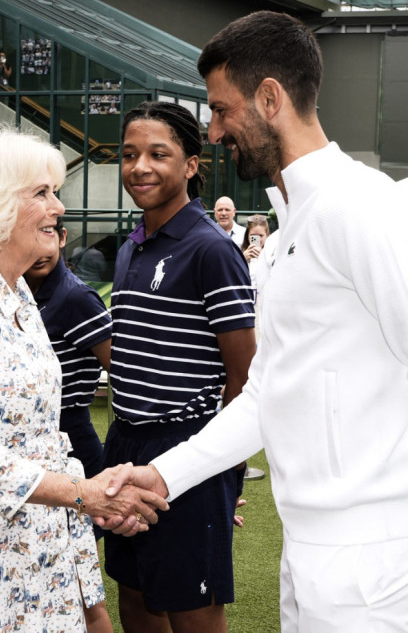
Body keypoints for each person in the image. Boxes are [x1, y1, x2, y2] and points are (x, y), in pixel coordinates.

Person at [102, 11, 408, 633]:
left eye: (221, 110)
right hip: (316, 544)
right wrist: (162, 474)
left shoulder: (358, 205)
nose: (214, 131)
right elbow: (266, 394)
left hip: (373, 551)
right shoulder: (292, 226)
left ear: (270, 98)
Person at [0, 127, 165, 632]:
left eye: (54, 192)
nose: (58, 208)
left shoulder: (17, 289)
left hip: (39, 544)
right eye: (41, 193)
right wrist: (85, 494)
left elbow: (39, 432)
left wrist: (91, 493)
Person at [106, 100, 256, 633]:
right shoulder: (131, 246)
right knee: (135, 599)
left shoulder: (212, 249)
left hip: (186, 446)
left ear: (191, 165)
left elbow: (244, 376)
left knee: (192, 611)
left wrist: (225, 470)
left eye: (157, 154)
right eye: (129, 155)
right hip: (124, 441)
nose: (139, 167)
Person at [24, 220, 113, 497]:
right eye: (27, 238)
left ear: (62, 237)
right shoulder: (16, 293)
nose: (38, 251)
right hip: (31, 440)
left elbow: (121, 370)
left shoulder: (76, 297)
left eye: (46, 234)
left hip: (71, 437)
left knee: (88, 520)